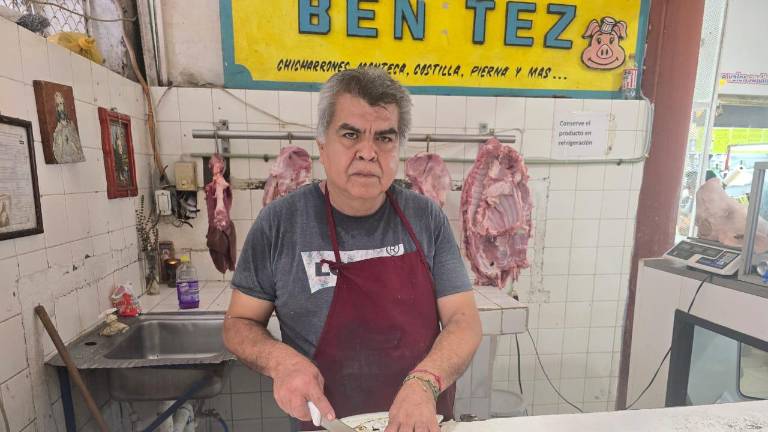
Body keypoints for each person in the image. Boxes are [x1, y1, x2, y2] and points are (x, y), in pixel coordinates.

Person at [223, 67, 482, 432]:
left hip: (420, 422)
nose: (368, 153)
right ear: (323, 146)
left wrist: (425, 381)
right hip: (328, 425)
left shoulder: (426, 218)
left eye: (385, 139)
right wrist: (281, 362)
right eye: (350, 134)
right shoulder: (280, 223)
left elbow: (464, 321)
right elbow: (239, 323)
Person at [51, 91, 85, 163]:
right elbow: (57, 147)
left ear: (63, 102)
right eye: (57, 105)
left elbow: (76, 141)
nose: (60, 108)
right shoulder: (58, 128)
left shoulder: (71, 124)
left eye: (61, 104)